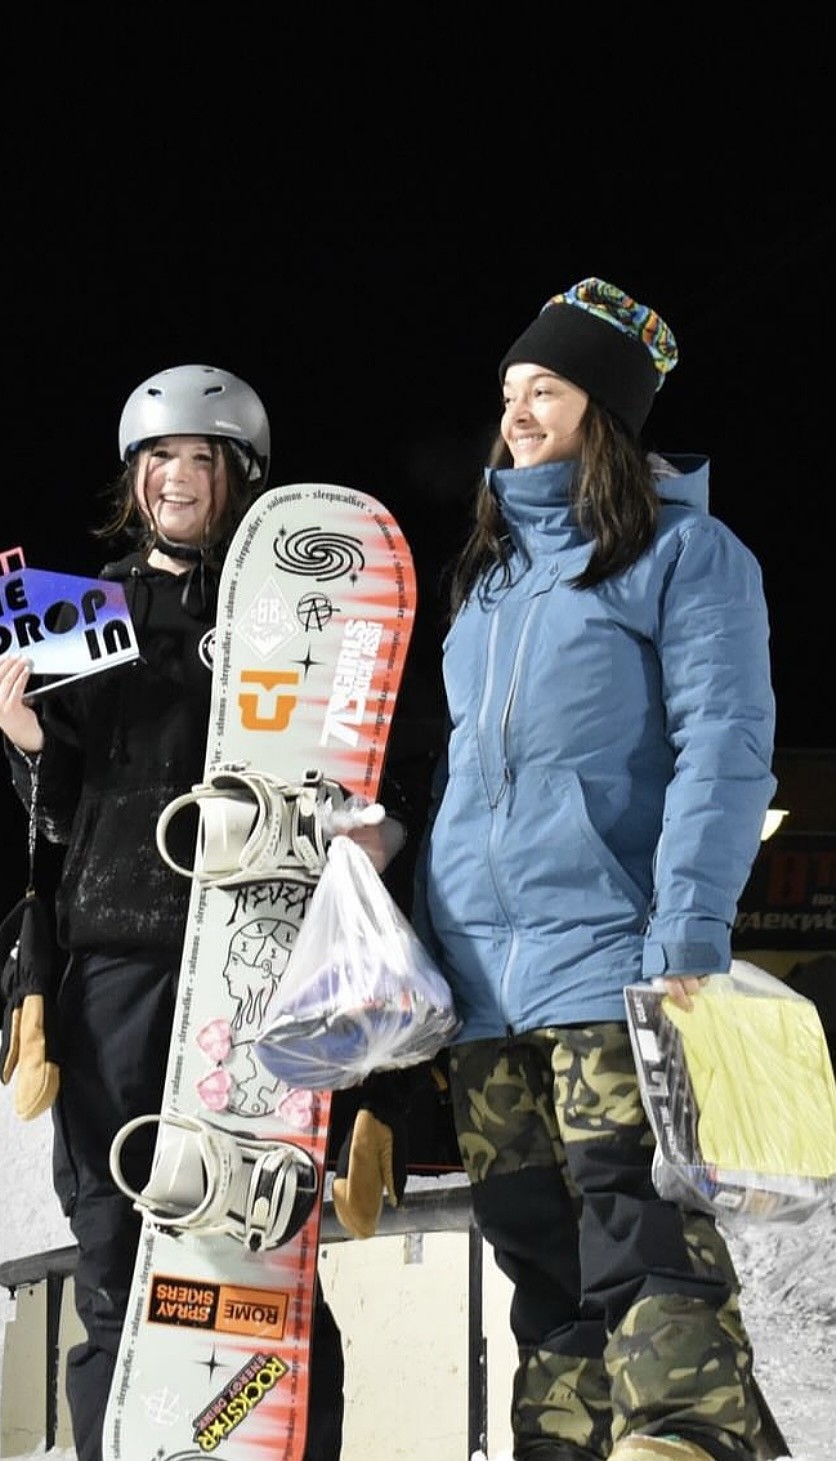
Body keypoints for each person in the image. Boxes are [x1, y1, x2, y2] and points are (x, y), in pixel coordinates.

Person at [0, 363, 375, 1461]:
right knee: (113, 1250)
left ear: (238, 476)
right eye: (160, 459)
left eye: (202, 458)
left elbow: (348, 752)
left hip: (251, 960)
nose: (178, 477)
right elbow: (60, 816)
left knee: (262, 1255)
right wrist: (26, 742)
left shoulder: (296, 610)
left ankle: (278, 1442)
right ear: (132, 479)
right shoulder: (83, 611)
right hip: (113, 959)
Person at [412, 280, 782, 1461]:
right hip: (481, 978)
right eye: (511, 392)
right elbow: (473, 778)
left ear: (604, 414)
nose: (517, 415)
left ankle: (684, 1439)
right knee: (536, 1258)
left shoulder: (685, 555)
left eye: (548, 392)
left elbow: (722, 750)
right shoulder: (486, 580)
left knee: (641, 1233)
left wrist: (685, 938)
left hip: (609, 959)